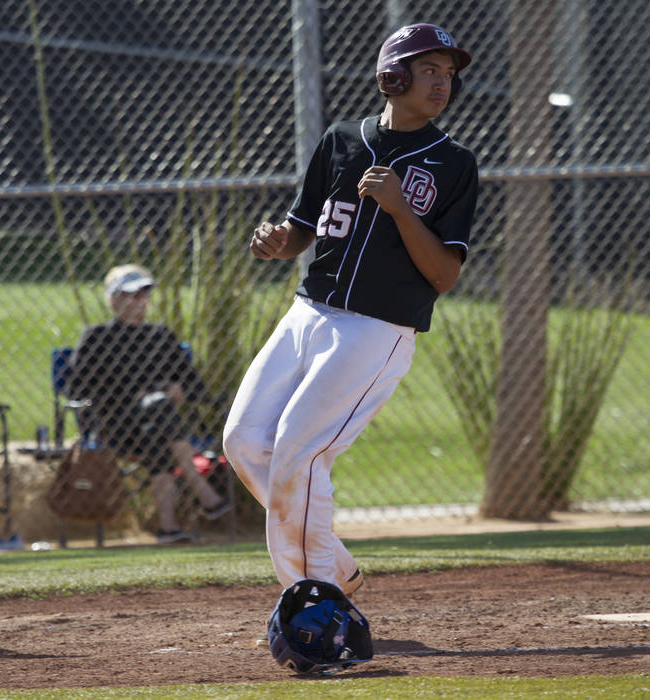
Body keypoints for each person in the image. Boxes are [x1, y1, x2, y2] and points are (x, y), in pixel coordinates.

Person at [223, 24, 478, 596]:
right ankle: (335, 570)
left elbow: (444, 274)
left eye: (448, 73)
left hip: (376, 328)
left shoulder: (454, 162)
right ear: (393, 76)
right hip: (308, 313)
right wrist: (275, 241)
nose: (442, 83)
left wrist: (398, 209)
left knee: (299, 448)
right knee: (243, 440)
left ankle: (313, 599)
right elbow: (301, 230)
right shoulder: (342, 138)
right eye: (429, 69)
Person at [67, 264, 232, 544]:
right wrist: (142, 391)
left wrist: (180, 389)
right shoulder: (96, 338)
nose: (139, 301)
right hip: (116, 427)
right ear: (113, 299)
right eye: (131, 295)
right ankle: (199, 487)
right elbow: (77, 388)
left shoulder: (160, 336)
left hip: (159, 428)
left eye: (144, 293)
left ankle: (168, 528)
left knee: (157, 422)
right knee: (158, 404)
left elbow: (195, 387)